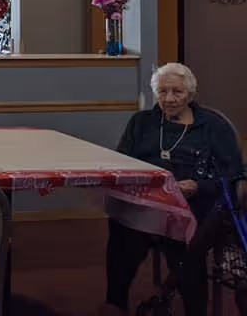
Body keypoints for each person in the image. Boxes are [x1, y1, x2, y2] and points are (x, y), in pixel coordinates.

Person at [104, 63, 246, 316]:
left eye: (177, 92)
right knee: (122, 230)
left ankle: (195, 309)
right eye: (162, 91)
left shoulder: (212, 126)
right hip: (148, 204)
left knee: (184, 241)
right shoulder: (141, 122)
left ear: (190, 95)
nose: (169, 99)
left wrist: (199, 185)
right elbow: (122, 162)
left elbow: (233, 174)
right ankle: (115, 302)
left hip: (196, 207)